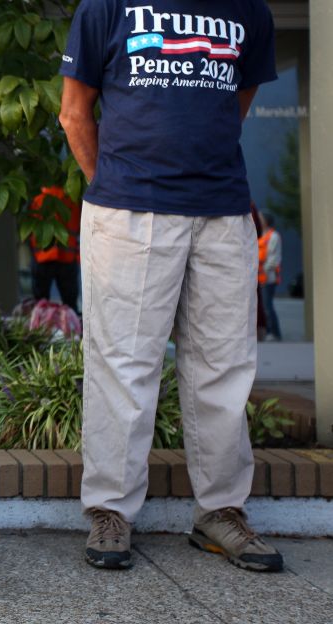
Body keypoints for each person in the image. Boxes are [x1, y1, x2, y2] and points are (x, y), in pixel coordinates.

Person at [59, 1, 283, 572]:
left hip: (223, 211)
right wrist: (108, 186)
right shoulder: (106, 6)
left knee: (225, 364)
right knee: (121, 362)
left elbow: (237, 105)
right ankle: (110, 511)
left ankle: (220, 512)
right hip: (128, 209)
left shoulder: (249, 11)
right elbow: (74, 112)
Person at [28, 185, 81, 313]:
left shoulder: (38, 199)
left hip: (42, 257)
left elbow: (29, 229)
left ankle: (41, 330)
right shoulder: (72, 199)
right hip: (67, 258)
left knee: (40, 306)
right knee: (70, 306)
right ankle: (73, 331)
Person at [258, 211, 283, 341]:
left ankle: (274, 333)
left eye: (260, 217)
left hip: (268, 277)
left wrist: (263, 272)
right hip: (258, 277)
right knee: (262, 306)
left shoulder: (274, 237)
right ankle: (267, 331)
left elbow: (274, 259)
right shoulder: (260, 235)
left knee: (268, 306)